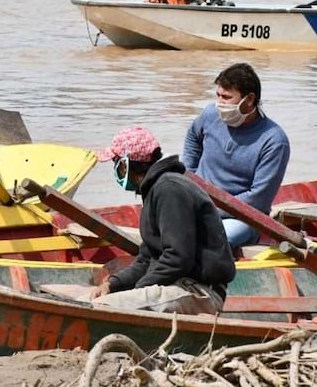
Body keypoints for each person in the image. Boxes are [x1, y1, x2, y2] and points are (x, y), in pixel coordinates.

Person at [90, 127, 235, 315]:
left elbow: (178, 258)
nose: (116, 169)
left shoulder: (169, 189)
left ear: (127, 165)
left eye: (117, 163)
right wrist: (113, 284)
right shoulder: (155, 189)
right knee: (90, 300)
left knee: (104, 307)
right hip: (174, 284)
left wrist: (139, 290)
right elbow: (146, 259)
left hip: (198, 291)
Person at [182, 63, 290, 249]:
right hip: (197, 203)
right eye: (218, 96)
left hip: (242, 218)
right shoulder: (210, 114)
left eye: (226, 97)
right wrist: (189, 174)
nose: (220, 103)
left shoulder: (274, 141)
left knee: (210, 243)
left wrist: (209, 209)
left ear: (249, 100)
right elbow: (193, 137)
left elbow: (257, 199)